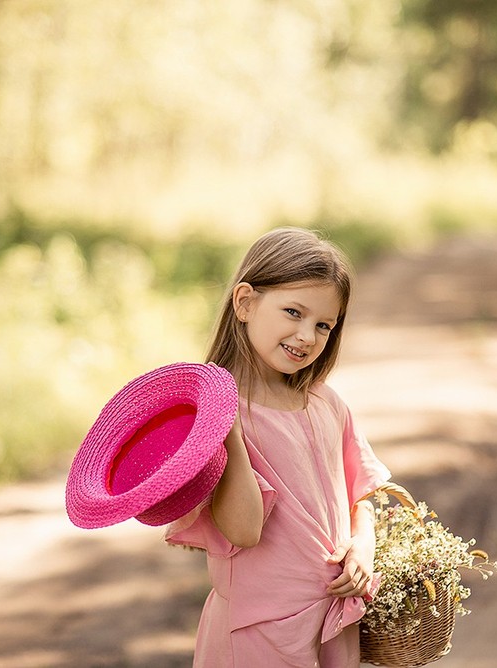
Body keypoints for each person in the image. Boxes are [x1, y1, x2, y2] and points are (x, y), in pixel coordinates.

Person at [165, 227, 394, 666]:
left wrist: (363, 545)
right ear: (245, 302)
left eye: (324, 325)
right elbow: (244, 530)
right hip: (256, 631)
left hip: (332, 619)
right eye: (294, 312)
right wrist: (223, 419)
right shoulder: (220, 420)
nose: (307, 336)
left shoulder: (326, 403)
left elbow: (360, 492)